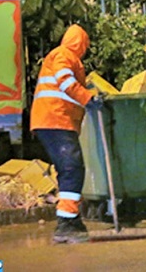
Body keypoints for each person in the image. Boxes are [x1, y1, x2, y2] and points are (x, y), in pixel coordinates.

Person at [30, 24, 104, 244]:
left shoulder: (67, 58)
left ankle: (71, 219)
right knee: (72, 168)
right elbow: (66, 82)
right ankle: (66, 224)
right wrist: (89, 99)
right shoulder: (64, 55)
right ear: (81, 43)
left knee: (69, 169)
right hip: (55, 119)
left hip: (54, 120)